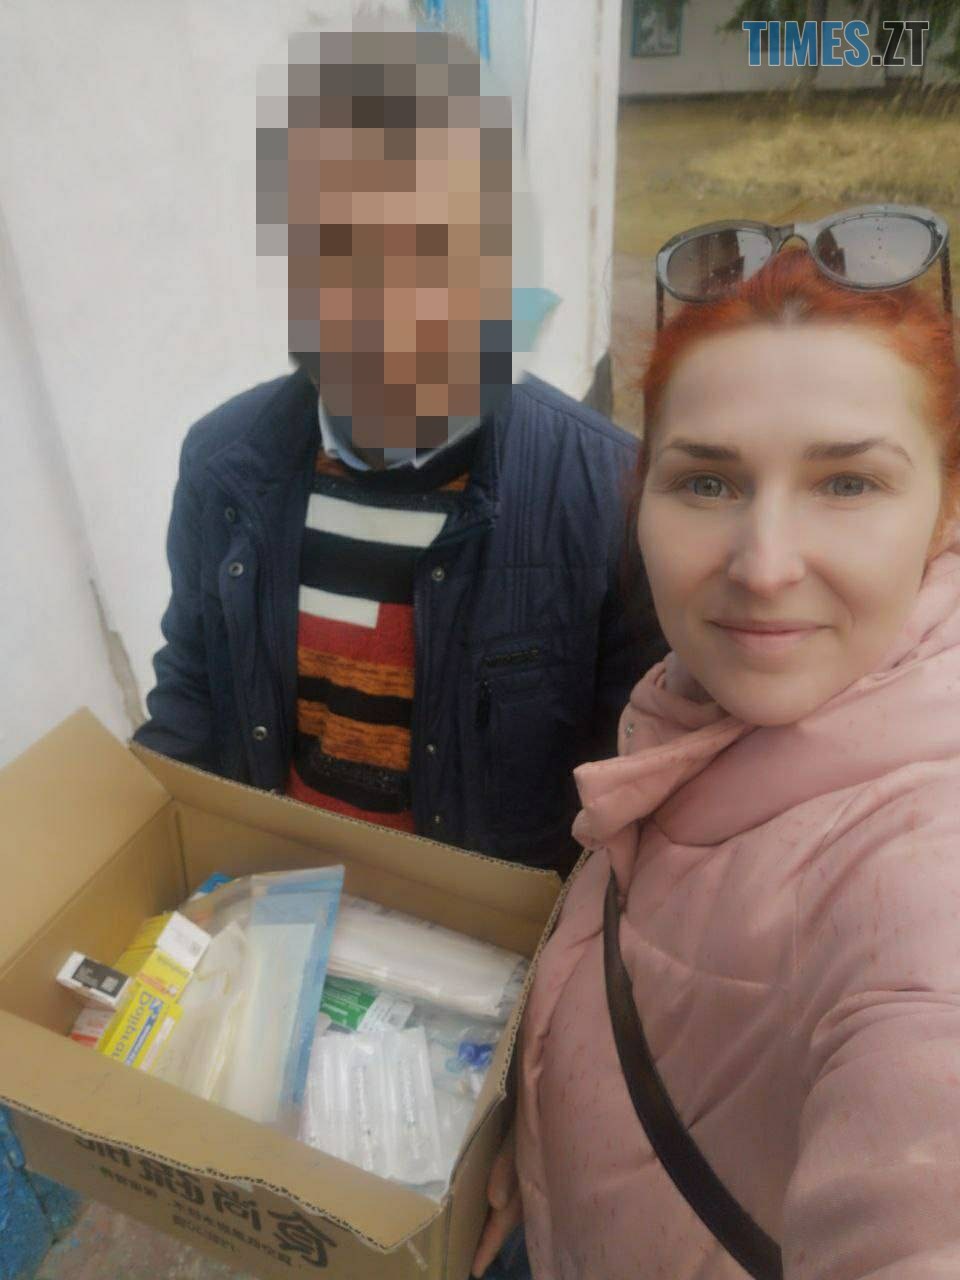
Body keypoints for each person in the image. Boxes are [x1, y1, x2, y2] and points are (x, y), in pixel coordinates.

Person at [509, 214, 960, 1278]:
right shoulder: (685, 711)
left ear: (947, 510)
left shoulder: (921, 876)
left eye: (847, 483)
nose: (763, 567)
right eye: (707, 482)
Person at [133, 26, 666, 880]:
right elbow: (192, 694)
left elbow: (638, 777)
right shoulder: (224, 465)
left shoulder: (609, 495)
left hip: (481, 928)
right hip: (276, 891)